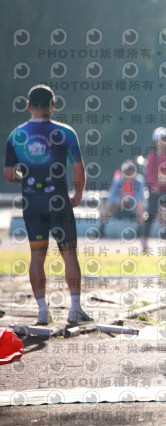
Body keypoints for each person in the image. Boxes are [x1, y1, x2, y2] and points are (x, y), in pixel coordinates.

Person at [4, 84, 92, 325]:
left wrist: (27, 179)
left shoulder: (16, 135)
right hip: (58, 200)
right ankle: (75, 309)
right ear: (53, 106)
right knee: (69, 253)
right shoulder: (66, 132)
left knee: (36, 255)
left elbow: (9, 174)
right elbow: (78, 169)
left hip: (32, 201)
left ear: (28, 106)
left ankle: (43, 311)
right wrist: (78, 194)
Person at [142, 127, 166, 251]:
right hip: (155, 190)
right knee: (151, 214)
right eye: (161, 139)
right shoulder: (152, 155)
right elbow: (149, 173)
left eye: (165, 139)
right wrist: (152, 185)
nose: (164, 141)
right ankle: (144, 241)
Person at [98, 160, 146, 245]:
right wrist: (118, 200)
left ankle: (140, 231)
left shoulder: (139, 181)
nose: (128, 174)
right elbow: (112, 196)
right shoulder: (118, 181)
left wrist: (129, 201)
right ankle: (101, 230)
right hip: (119, 207)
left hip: (132, 208)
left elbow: (140, 197)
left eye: (130, 171)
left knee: (140, 205)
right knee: (108, 205)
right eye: (126, 171)